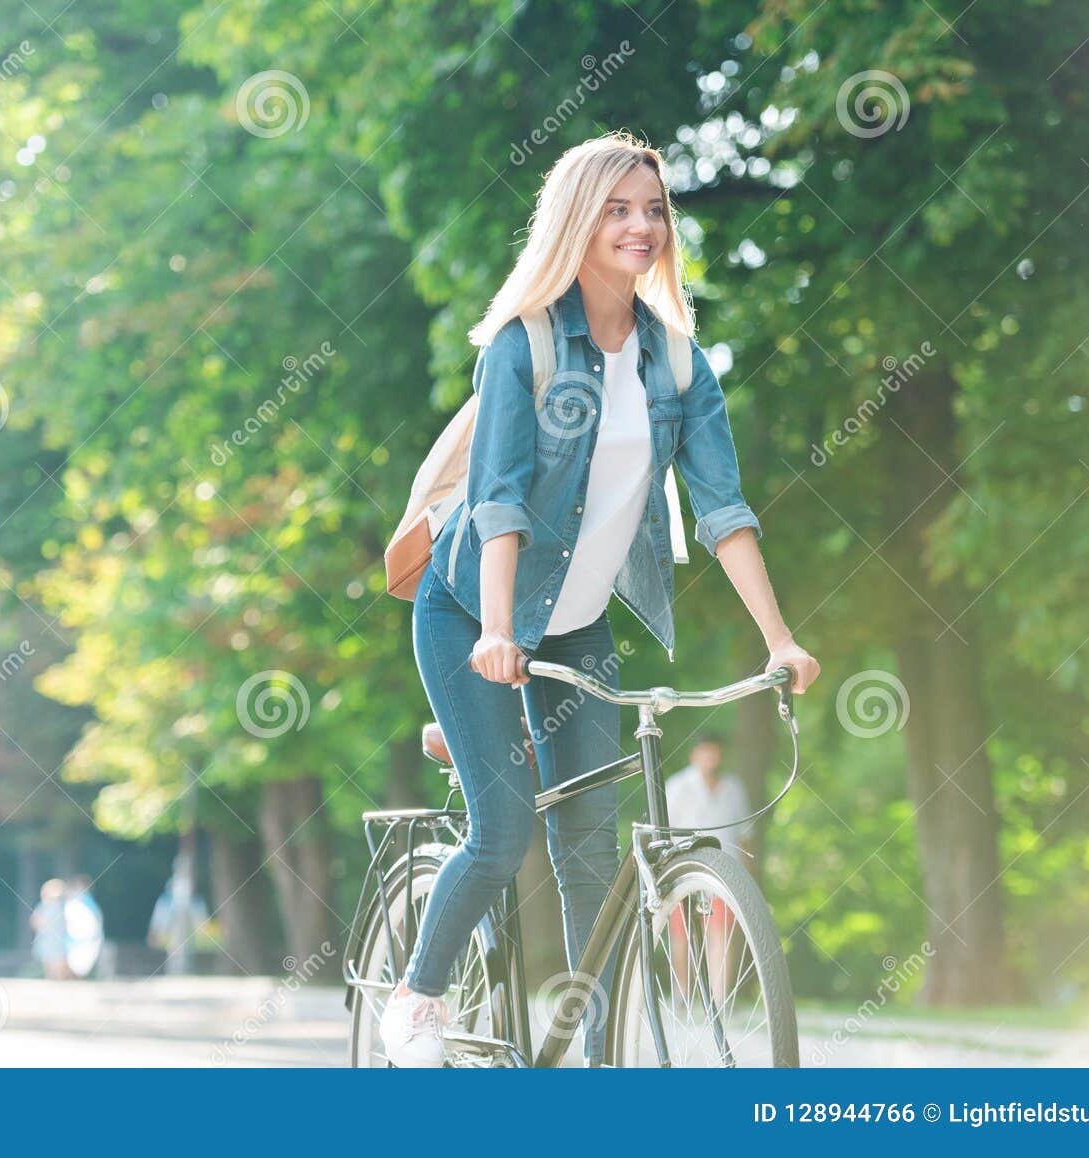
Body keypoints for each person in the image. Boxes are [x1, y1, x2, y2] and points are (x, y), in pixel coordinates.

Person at [381, 131, 820, 1067]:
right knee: (503, 836)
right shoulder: (525, 345)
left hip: (576, 632)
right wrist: (496, 632)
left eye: (654, 208)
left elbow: (724, 511)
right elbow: (497, 498)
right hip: (471, 613)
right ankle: (417, 997)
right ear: (577, 220)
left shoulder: (678, 365)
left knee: (590, 856)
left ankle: (599, 1075)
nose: (642, 226)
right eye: (618, 209)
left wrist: (780, 639)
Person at [663, 734, 749, 1006]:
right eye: (706, 753)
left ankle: (720, 997)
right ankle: (681, 993)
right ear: (695, 755)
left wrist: (746, 875)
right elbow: (665, 831)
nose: (711, 759)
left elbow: (745, 834)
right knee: (683, 934)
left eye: (715, 753)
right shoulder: (678, 786)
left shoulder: (733, 788)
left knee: (721, 933)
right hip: (686, 869)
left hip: (726, 871)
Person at [62, 874, 105, 979]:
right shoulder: (77, 901)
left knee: (79, 964)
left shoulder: (80, 902)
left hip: (82, 939)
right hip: (77, 939)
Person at [29, 878, 70, 980]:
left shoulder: (60, 906)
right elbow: (35, 921)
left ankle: (56, 978)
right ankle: (54, 978)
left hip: (55, 937)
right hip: (50, 937)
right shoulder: (53, 906)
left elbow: (35, 921)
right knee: (52, 958)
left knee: (56, 958)